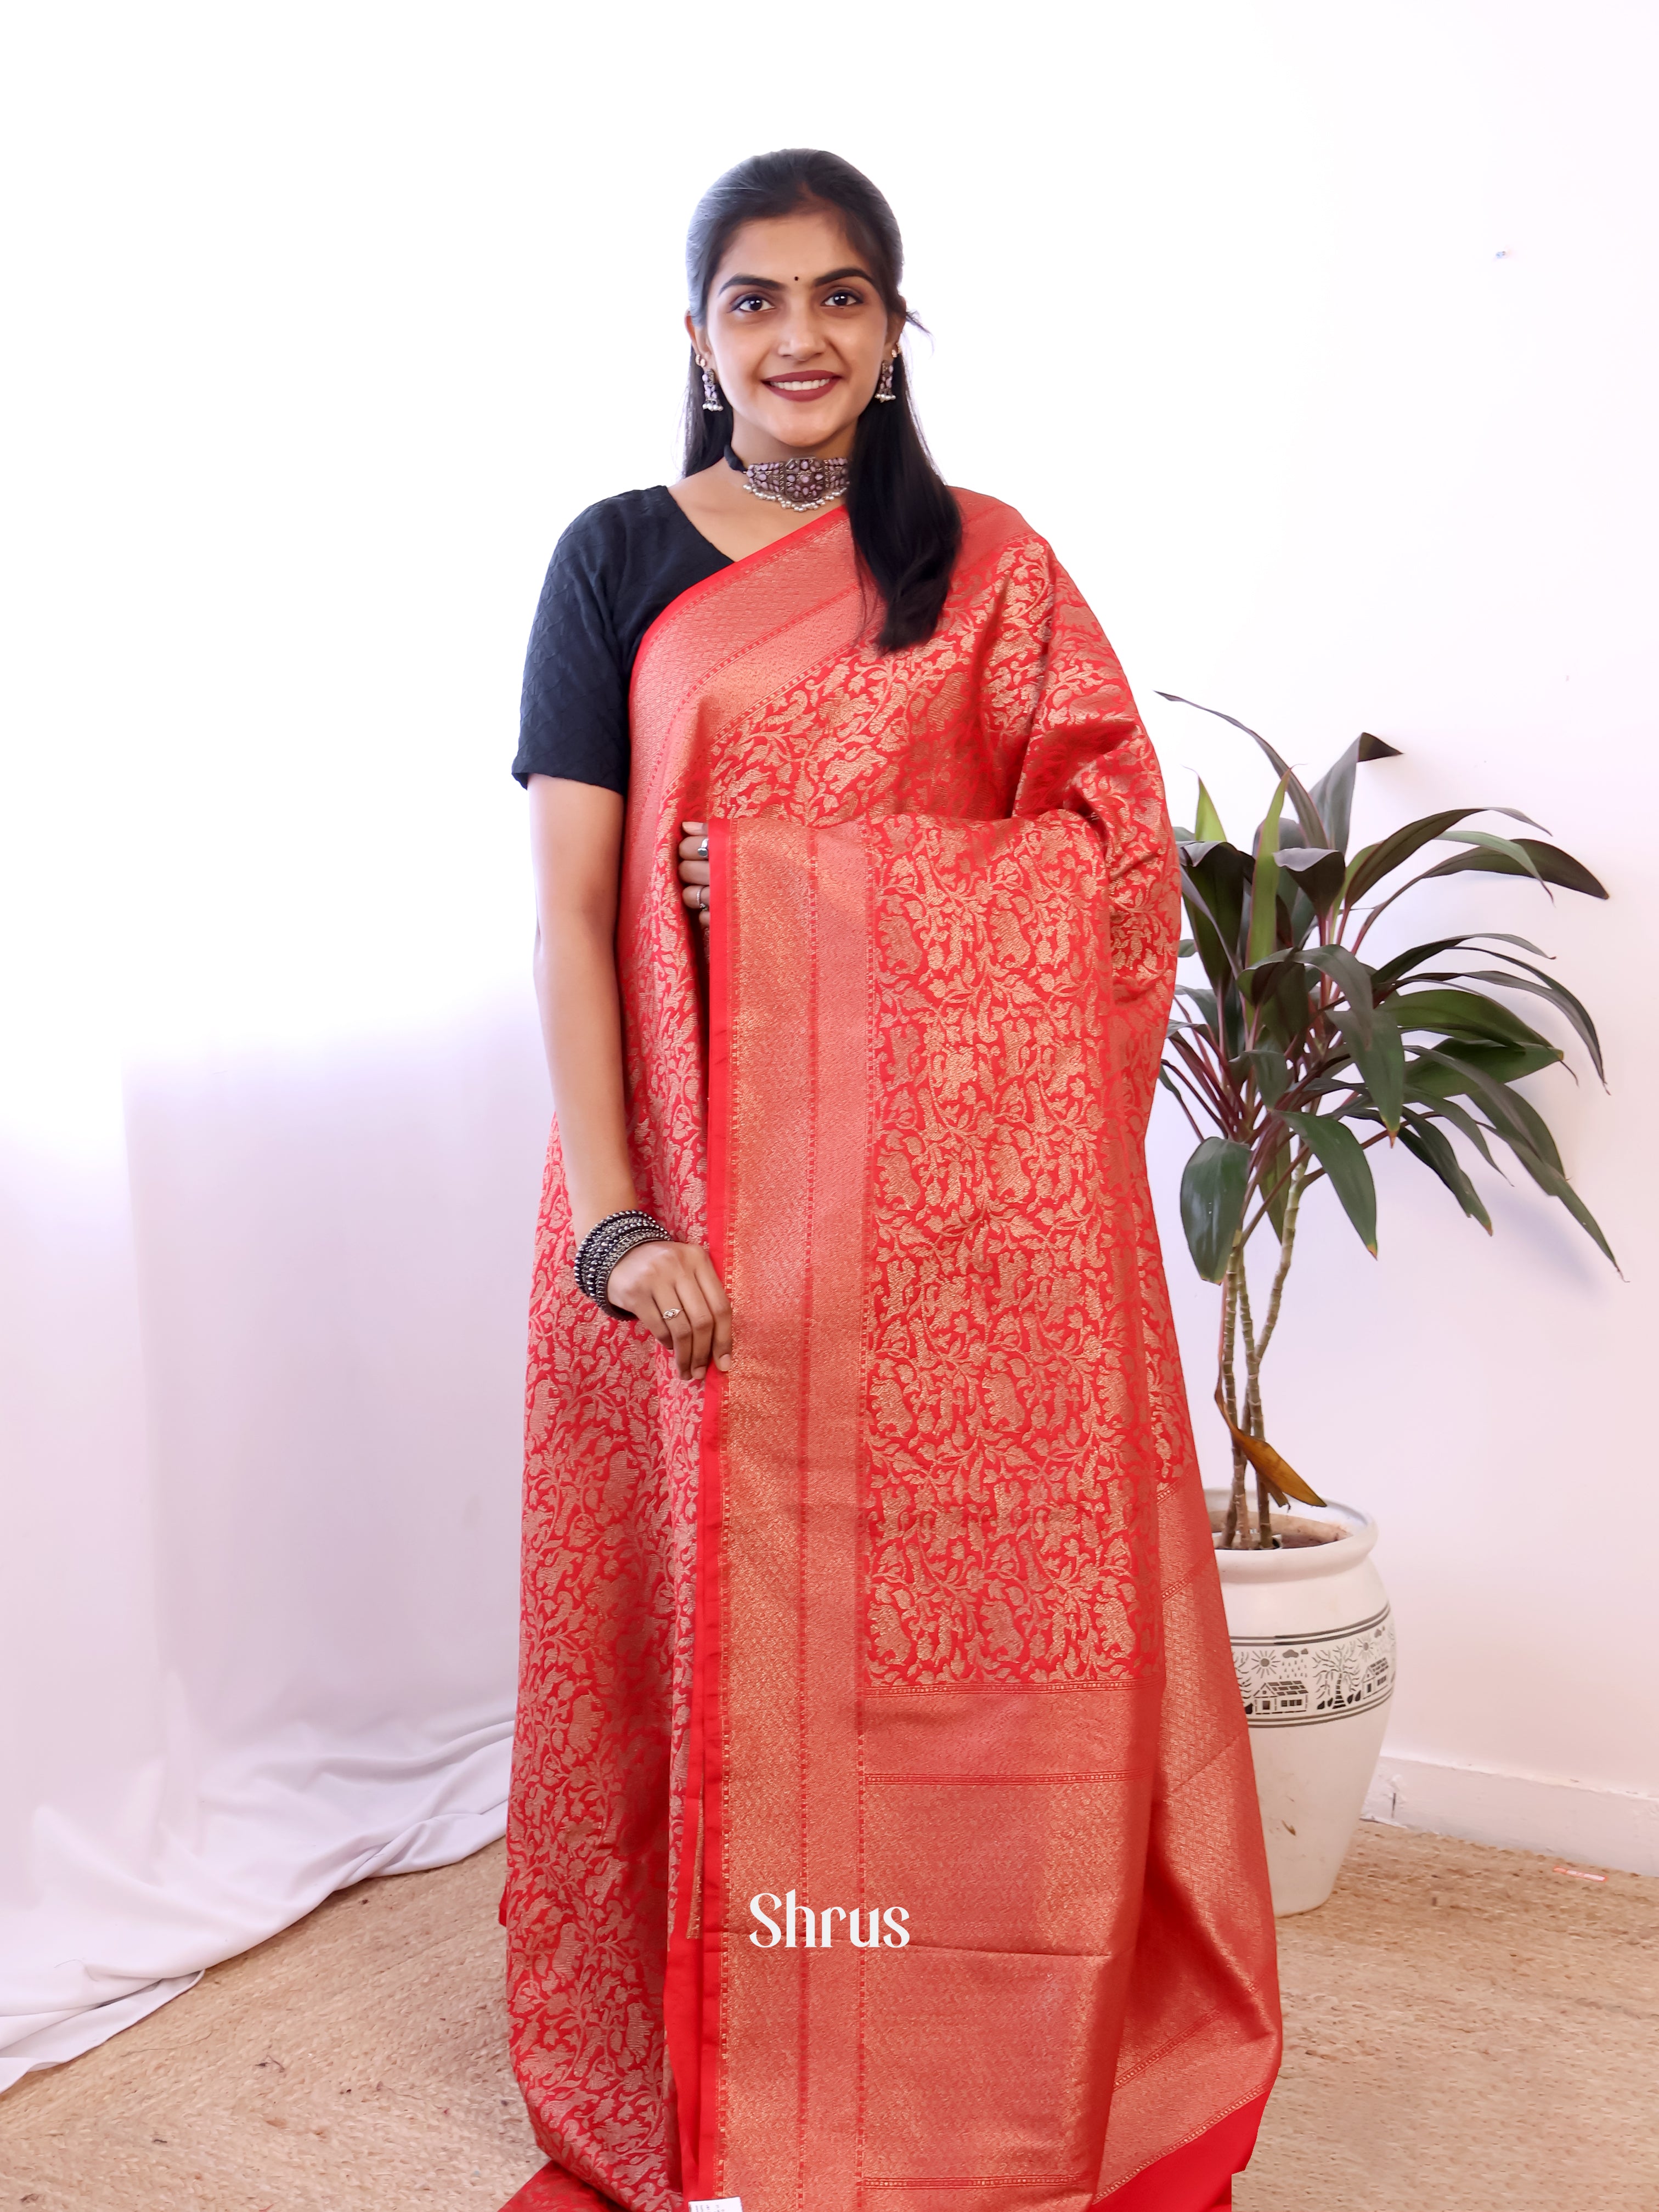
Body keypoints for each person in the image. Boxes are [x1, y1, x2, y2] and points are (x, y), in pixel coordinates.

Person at [500, 148, 1280, 2212]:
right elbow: (575, 920)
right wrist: (612, 1219)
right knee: (706, 1645)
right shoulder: (612, 566)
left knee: (951, 1654)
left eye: (843, 297)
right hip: (686, 1227)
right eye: (755, 300)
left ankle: (947, 2076)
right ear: (695, 337)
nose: (800, 336)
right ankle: (737, 2080)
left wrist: (789, 890)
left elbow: (1118, 883)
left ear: (896, 329)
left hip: (949, 1246)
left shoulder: (991, 571)